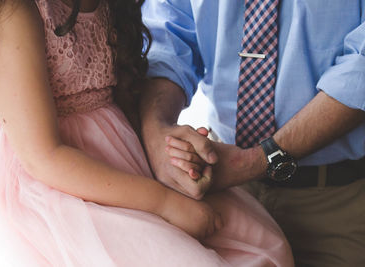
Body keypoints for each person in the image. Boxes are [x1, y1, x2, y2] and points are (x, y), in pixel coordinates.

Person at [0, 0, 294, 266]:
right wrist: (164, 202)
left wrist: (170, 147)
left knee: (260, 242)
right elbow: (43, 157)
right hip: (60, 186)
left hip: (123, 155)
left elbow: (122, 97)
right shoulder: (13, 11)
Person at [141, 1, 365, 266]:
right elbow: (167, 38)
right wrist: (158, 133)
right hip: (221, 191)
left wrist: (252, 162)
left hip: (334, 201)